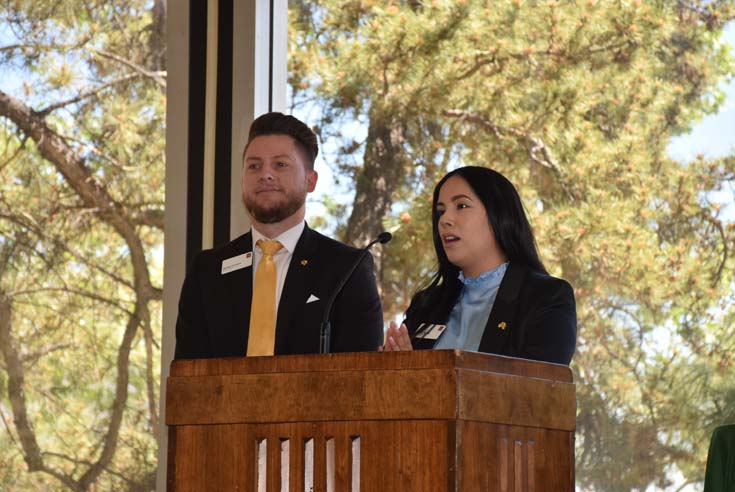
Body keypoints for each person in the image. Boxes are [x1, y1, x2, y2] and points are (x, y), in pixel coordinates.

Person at [174, 112, 383, 358]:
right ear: (242, 179)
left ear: (311, 181)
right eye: (254, 166)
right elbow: (187, 377)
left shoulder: (347, 270)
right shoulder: (207, 270)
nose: (266, 174)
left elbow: (359, 379)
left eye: (280, 164)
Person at [382, 166, 576, 365]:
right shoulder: (427, 305)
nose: (444, 220)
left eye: (462, 206)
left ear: (498, 215)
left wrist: (418, 376)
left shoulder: (546, 297)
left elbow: (536, 391)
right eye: (441, 211)